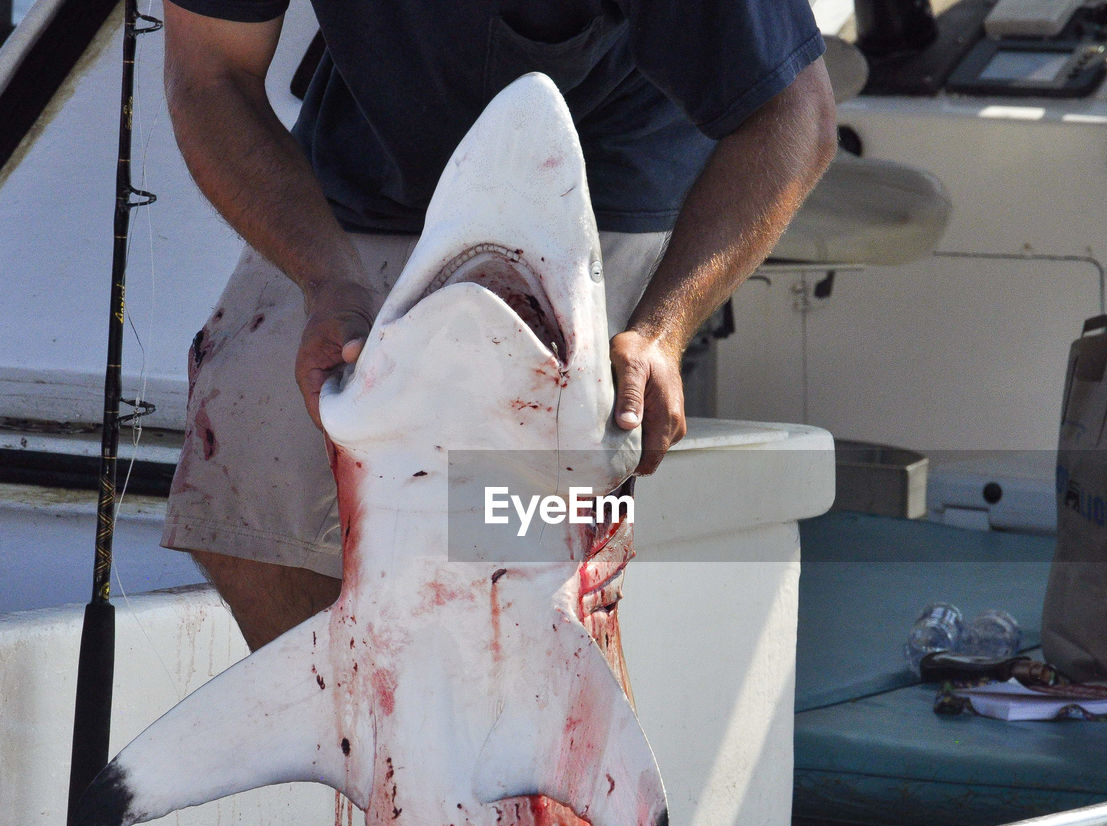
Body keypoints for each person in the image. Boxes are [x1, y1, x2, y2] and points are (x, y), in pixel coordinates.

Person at [158, 0, 836, 650]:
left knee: (514, 566)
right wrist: (325, 277)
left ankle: (527, 738)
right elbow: (210, 71)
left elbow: (797, 114)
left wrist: (664, 327)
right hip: (371, 162)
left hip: (600, 182)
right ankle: (367, 741)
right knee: (238, 489)